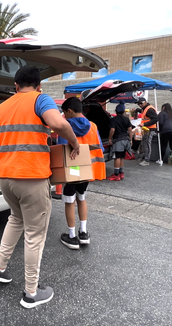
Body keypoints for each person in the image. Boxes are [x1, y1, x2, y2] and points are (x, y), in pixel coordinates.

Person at [0, 65, 80, 309]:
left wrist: (10, 147)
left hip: (5, 177)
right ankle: (31, 292)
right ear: (38, 86)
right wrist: (74, 142)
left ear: (15, 86)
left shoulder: (1, 108)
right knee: (35, 234)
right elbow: (57, 124)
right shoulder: (41, 99)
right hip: (32, 178)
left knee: (15, 219)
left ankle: (0, 268)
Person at [57, 96, 105, 249]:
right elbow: (100, 148)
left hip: (72, 171)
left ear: (70, 111)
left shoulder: (64, 126)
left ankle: (71, 237)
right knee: (81, 198)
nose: (64, 116)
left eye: (65, 112)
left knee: (69, 201)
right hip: (86, 170)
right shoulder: (93, 126)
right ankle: (83, 233)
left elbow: (61, 152)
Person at [107, 101, 133, 181]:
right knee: (122, 157)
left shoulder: (114, 120)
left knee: (117, 157)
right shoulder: (126, 119)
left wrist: (109, 139)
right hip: (126, 140)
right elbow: (130, 130)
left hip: (118, 140)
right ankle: (121, 173)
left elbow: (112, 130)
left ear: (116, 111)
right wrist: (131, 140)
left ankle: (116, 175)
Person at [135, 97, 158, 166]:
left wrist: (144, 124)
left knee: (147, 144)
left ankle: (147, 160)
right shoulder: (146, 108)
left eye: (141, 103)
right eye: (138, 104)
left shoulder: (149, 109)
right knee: (145, 143)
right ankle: (145, 157)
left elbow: (156, 119)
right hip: (146, 129)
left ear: (145, 102)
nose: (140, 105)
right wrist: (137, 110)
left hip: (149, 129)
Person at [158, 103, 172, 167]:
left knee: (163, 146)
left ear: (164, 107)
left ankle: (161, 160)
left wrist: (159, 130)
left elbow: (161, 122)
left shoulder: (162, 113)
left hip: (166, 130)